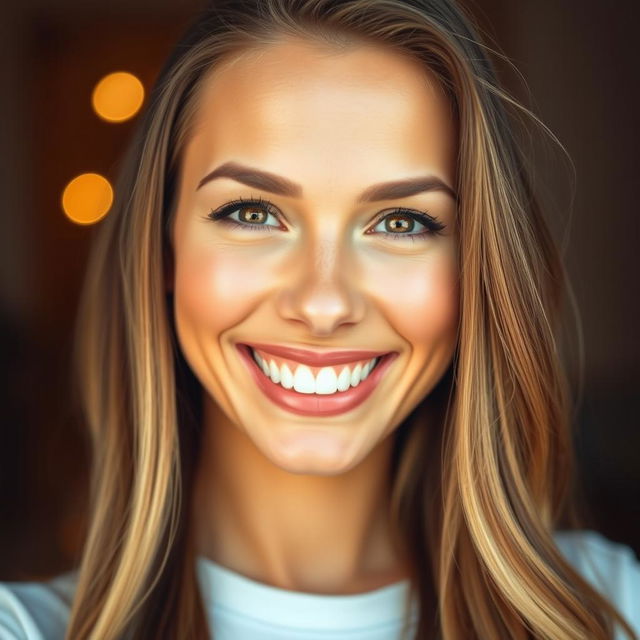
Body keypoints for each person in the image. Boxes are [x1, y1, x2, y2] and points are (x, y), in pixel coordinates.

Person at [1, 0, 638, 638]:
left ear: (476, 265)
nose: (324, 304)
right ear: (162, 245)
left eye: (401, 222)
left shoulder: (607, 610)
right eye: (252, 214)